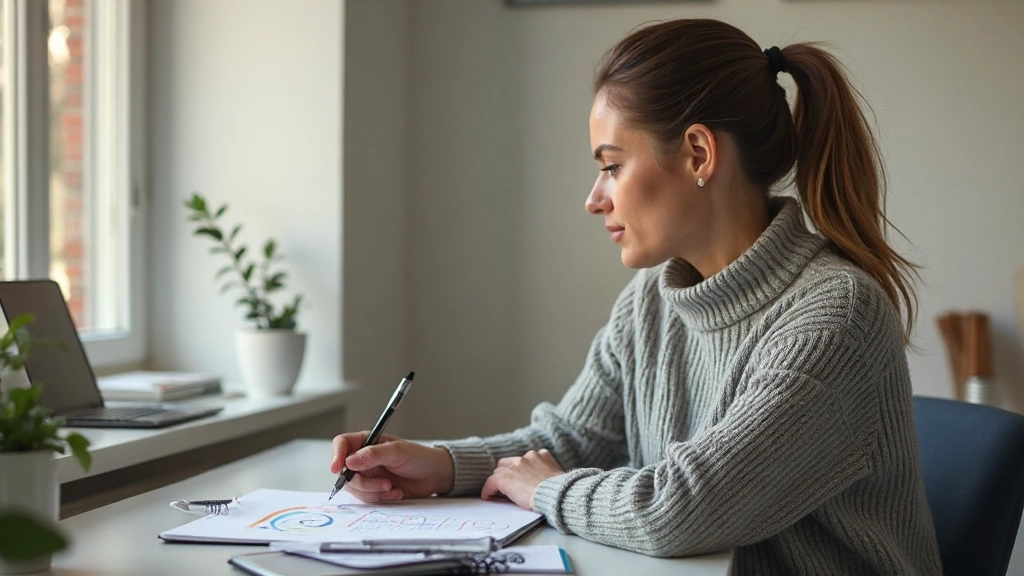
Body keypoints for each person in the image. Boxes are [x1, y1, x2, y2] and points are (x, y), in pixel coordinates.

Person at [330, 18, 942, 575]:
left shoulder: (835, 317)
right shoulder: (654, 296)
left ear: (699, 154)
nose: (594, 199)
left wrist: (548, 491)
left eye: (613, 165)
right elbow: (570, 440)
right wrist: (439, 465)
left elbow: (680, 510)